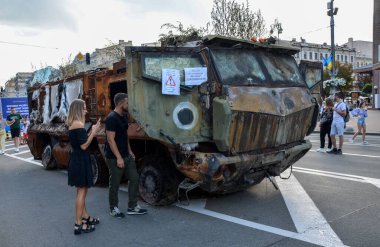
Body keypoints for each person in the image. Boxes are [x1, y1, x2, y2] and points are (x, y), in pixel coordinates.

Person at [105, 93, 147, 218]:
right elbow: (110, 140)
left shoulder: (123, 117)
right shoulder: (111, 118)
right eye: (127, 103)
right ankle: (113, 208)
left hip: (126, 155)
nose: (128, 105)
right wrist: (118, 157)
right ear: (120, 103)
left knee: (134, 178)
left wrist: (130, 151)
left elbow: (124, 136)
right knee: (115, 184)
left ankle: (132, 206)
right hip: (114, 157)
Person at [67, 99, 100, 235]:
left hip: (78, 159)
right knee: (81, 192)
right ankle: (78, 224)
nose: (86, 110)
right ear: (78, 109)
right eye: (84, 108)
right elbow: (84, 145)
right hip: (80, 161)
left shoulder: (74, 124)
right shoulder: (78, 124)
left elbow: (82, 141)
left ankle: (85, 216)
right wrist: (94, 132)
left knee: (82, 191)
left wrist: (91, 131)